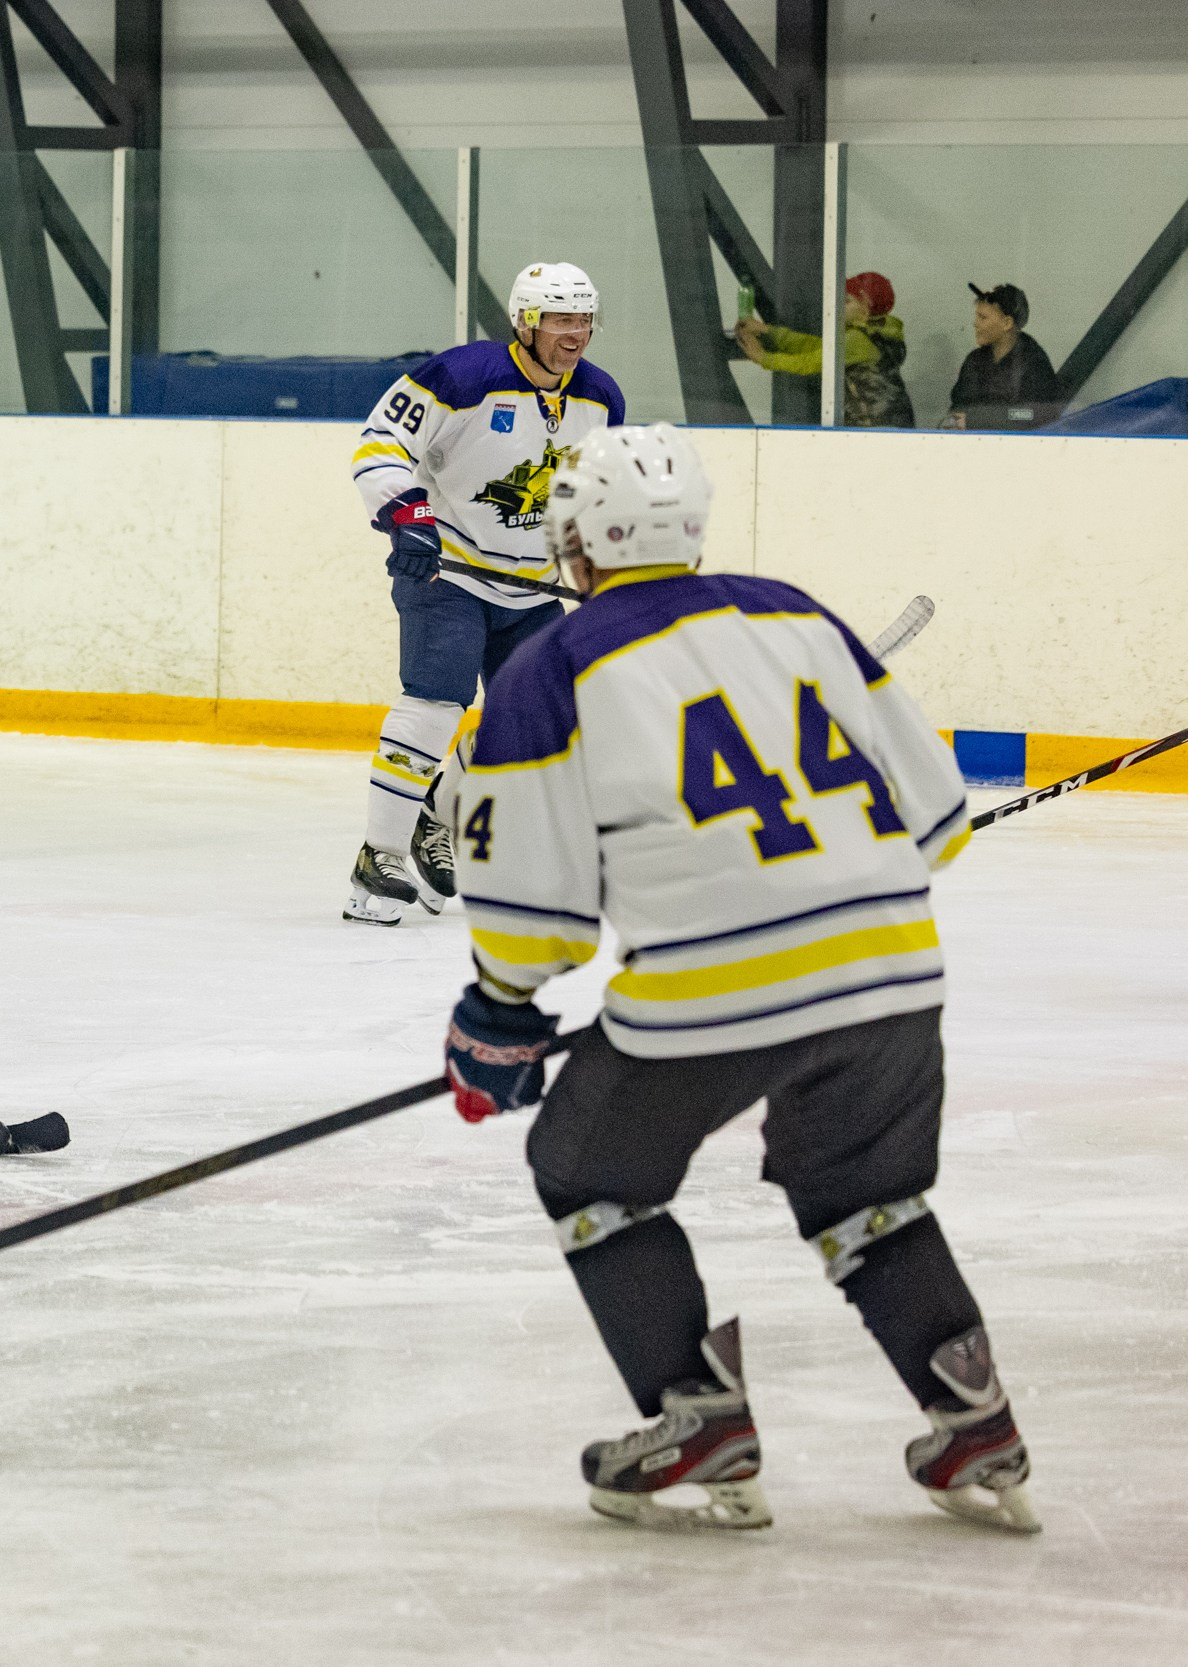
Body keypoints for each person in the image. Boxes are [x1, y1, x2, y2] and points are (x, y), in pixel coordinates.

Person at [434, 424, 1037, 1535]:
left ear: (577, 543)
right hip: (891, 971)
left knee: (587, 1170)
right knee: (864, 1193)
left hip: (715, 992)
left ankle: (696, 1411)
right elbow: (939, 817)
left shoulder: (552, 665)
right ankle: (976, 1421)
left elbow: (530, 911)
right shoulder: (797, 612)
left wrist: (495, 1013)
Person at [342, 261, 626, 926]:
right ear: (525, 324)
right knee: (436, 703)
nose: (576, 332)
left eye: (583, 318)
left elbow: (594, 489)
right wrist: (407, 516)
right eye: (560, 319)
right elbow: (380, 444)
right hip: (449, 574)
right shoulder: (461, 377)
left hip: (531, 589)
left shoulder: (601, 397)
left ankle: (437, 817)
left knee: (540, 722)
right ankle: (377, 854)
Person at [733, 270, 916, 427]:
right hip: (888, 426)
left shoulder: (858, 340)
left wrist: (763, 358)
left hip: (874, 428)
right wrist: (767, 331)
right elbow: (816, 346)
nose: (839, 307)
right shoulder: (873, 336)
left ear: (866, 308)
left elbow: (811, 361)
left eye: (847, 302)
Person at [947, 282, 1066, 430]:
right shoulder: (974, 360)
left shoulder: (1034, 363)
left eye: (983, 318)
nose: (975, 323)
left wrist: (977, 419)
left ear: (1007, 323)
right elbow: (954, 415)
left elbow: (1030, 415)